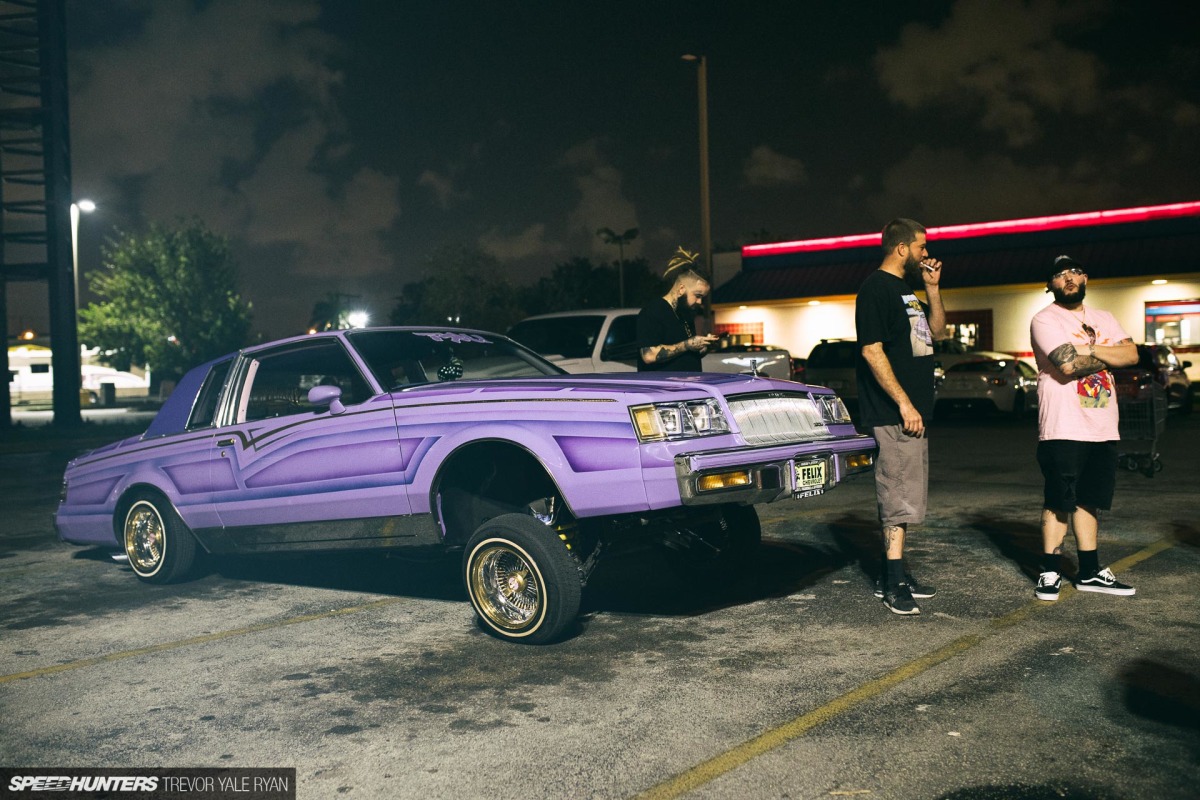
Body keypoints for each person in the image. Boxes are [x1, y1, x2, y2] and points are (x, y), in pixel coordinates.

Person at [1029, 255, 1139, 601]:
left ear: (1085, 277)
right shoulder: (1045, 319)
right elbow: (1065, 364)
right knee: (1059, 499)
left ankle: (1089, 572)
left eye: (1074, 272)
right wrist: (1109, 351)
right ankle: (1049, 570)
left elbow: (1133, 355)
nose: (1069, 278)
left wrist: (1088, 347)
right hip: (1064, 424)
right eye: (1060, 275)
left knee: (1090, 500)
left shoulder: (1104, 317)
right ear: (1051, 285)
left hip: (1102, 424)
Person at [855, 218, 949, 615]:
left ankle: (895, 571)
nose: (926, 254)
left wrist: (932, 289)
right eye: (921, 247)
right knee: (896, 494)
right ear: (901, 249)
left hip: (914, 413)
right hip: (894, 413)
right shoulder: (876, 288)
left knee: (907, 493)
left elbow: (938, 333)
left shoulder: (906, 291)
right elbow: (872, 351)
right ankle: (893, 583)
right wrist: (904, 404)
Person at [637, 247, 719, 371]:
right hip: (665, 389)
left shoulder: (685, 313)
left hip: (689, 388)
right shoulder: (653, 312)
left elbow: (686, 356)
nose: (700, 302)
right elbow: (649, 355)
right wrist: (687, 344)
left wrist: (705, 347)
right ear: (681, 289)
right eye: (697, 296)